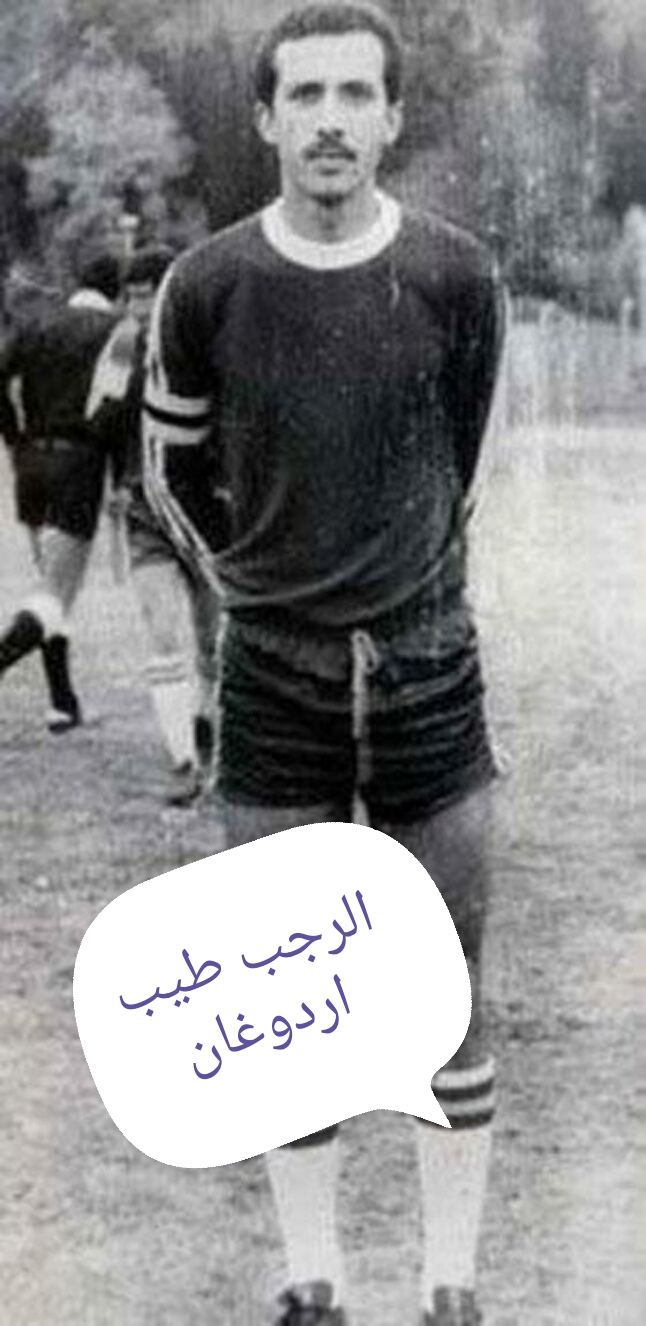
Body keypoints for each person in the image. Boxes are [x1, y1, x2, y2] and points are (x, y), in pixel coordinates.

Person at [143, 5, 504, 1323]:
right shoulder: (207, 285)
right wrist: (254, 591)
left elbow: (465, 463)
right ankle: (315, 1285)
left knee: (448, 985)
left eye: (358, 94)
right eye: (306, 96)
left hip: (425, 674)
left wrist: (407, 600)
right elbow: (169, 473)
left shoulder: (456, 276)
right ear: (265, 119)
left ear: (394, 117)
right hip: (275, 684)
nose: (332, 120)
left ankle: (450, 1286)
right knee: (288, 997)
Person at [104, 245, 226, 805]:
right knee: (161, 630)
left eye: (147, 295)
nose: (138, 306)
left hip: (206, 508)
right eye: (131, 296)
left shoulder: (207, 342)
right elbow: (99, 421)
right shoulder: (122, 347)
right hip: (144, 506)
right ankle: (182, 760)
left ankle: (210, 733)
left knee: (213, 633)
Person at [0, 251, 122, 730]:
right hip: (79, 462)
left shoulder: (38, 323)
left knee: (49, 589)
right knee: (55, 592)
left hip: (31, 461)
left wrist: (14, 438)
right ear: (116, 290)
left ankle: (62, 702)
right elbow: (116, 408)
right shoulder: (117, 331)